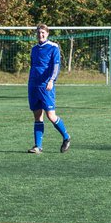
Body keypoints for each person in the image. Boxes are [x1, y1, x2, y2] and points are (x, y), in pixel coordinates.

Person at [28, 24, 71, 153]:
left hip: (46, 86)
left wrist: (52, 80)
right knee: (37, 116)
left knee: (51, 115)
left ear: (47, 34)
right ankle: (38, 146)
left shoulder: (53, 47)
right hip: (33, 86)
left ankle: (66, 137)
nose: (40, 35)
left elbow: (56, 67)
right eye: (38, 33)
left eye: (43, 33)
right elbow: (33, 66)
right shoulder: (34, 49)